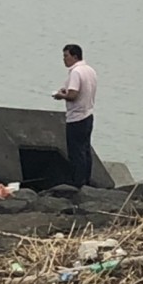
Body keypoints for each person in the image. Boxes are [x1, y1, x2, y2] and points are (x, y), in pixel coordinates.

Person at [53, 44, 97, 188]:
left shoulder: (76, 72)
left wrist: (61, 95)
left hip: (76, 118)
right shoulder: (90, 70)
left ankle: (77, 183)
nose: (64, 59)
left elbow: (73, 95)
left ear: (75, 56)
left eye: (66, 56)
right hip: (88, 114)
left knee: (76, 152)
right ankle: (86, 180)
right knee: (85, 150)